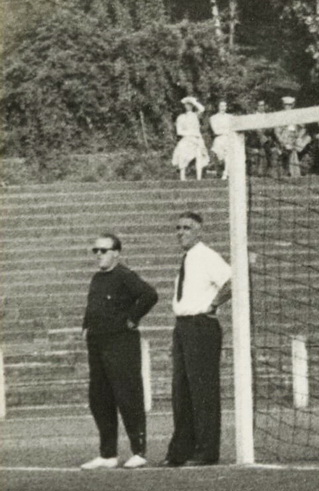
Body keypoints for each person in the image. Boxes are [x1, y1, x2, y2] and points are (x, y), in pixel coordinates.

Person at [81, 233, 159, 469]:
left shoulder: (124, 275)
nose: (98, 255)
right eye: (95, 251)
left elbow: (149, 295)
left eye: (103, 250)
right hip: (98, 344)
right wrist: (85, 326)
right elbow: (93, 306)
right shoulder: (97, 278)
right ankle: (108, 454)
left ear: (116, 253)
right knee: (100, 398)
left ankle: (139, 451)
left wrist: (132, 319)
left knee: (127, 396)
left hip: (120, 343)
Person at [162, 212, 232, 467]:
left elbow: (231, 281)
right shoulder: (188, 259)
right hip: (184, 327)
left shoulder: (206, 256)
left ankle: (206, 450)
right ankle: (182, 450)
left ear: (199, 230)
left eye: (187, 228)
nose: (181, 232)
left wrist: (212, 305)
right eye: (178, 227)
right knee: (181, 391)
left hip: (200, 326)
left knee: (202, 390)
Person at [171, 96, 210, 181]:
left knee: (199, 156)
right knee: (182, 155)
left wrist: (194, 102)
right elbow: (179, 131)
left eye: (190, 105)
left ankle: (199, 178)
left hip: (196, 139)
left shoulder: (195, 115)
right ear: (184, 106)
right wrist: (190, 133)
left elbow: (202, 109)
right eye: (187, 105)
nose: (188, 106)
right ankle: (182, 178)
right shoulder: (181, 117)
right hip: (187, 139)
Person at [274, 96, 312, 177]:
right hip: (285, 137)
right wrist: (282, 141)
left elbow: (303, 128)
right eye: (286, 105)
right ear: (283, 105)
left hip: (295, 137)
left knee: (307, 139)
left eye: (290, 105)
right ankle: (294, 172)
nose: (288, 107)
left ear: (292, 105)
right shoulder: (280, 115)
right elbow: (277, 131)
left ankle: (294, 171)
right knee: (291, 150)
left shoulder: (296, 115)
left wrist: (299, 137)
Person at [209, 100, 235, 180]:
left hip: (228, 138)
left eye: (225, 106)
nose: (223, 108)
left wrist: (227, 132)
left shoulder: (230, 117)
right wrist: (227, 131)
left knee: (228, 155)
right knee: (220, 157)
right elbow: (216, 131)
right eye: (221, 106)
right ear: (218, 107)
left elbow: (233, 129)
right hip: (219, 139)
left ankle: (226, 173)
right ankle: (221, 172)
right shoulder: (213, 118)